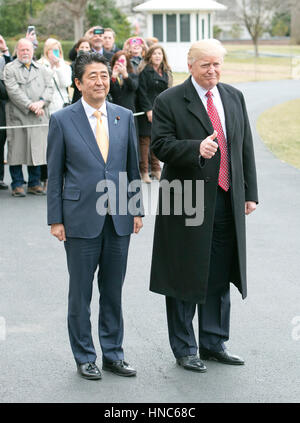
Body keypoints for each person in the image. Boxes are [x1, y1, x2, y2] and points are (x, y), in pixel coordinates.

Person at [149, 39, 258, 373]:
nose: (212, 70)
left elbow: (244, 146)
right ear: (190, 64)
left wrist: (249, 192)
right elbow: (160, 146)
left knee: (219, 272)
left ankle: (213, 342)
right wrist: (196, 148)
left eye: (217, 64)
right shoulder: (169, 100)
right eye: (205, 64)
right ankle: (185, 348)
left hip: (226, 198)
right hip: (186, 200)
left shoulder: (233, 96)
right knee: (184, 272)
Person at [47, 52, 143, 380]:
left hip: (118, 219)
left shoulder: (124, 116)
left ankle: (114, 354)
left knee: (113, 292)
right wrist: (55, 219)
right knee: (81, 293)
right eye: (92, 76)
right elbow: (55, 173)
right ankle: (85, 356)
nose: (100, 81)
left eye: (104, 75)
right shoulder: (62, 119)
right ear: (78, 83)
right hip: (78, 219)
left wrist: (136, 211)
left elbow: (132, 168)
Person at [3, 38, 54, 197]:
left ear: (33, 51)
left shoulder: (42, 68)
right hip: (18, 115)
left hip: (39, 115)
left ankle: (34, 183)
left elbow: (50, 87)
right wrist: (30, 105)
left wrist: (41, 103)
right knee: (16, 150)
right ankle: (17, 184)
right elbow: (12, 90)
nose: (25, 52)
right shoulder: (9, 68)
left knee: (37, 150)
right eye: (22, 50)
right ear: (17, 51)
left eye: (28, 50)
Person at [38, 38, 72, 192]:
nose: (55, 53)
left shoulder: (65, 66)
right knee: (48, 146)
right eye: (52, 50)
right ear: (46, 50)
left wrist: (57, 66)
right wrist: (50, 66)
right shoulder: (40, 64)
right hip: (47, 109)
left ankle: (64, 178)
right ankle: (46, 178)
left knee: (64, 144)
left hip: (62, 106)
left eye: (57, 49)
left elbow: (66, 83)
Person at [137, 44, 172, 183]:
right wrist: (148, 110)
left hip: (161, 110)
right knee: (145, 141)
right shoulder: (145, 71)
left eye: (160, 53)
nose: (158, 56)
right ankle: (144, 171)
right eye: (155, 53)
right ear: (149, 56)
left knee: (157, 138)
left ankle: (157, 170)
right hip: (147, 110)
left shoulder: (166, 71)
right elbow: (142, 92)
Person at [0, 35, 12, 190]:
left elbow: (11, 67)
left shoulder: (3, 60)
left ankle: (0, 178)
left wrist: (5, 49)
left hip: (1, 108)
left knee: (0, 142)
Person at [70, 38, 92, 104]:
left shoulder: (93, 64)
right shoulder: (73, 65)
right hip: (77, 98)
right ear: (77, 49)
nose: (84, 50)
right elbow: (73, 82)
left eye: (87, 47)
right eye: (82, 47)